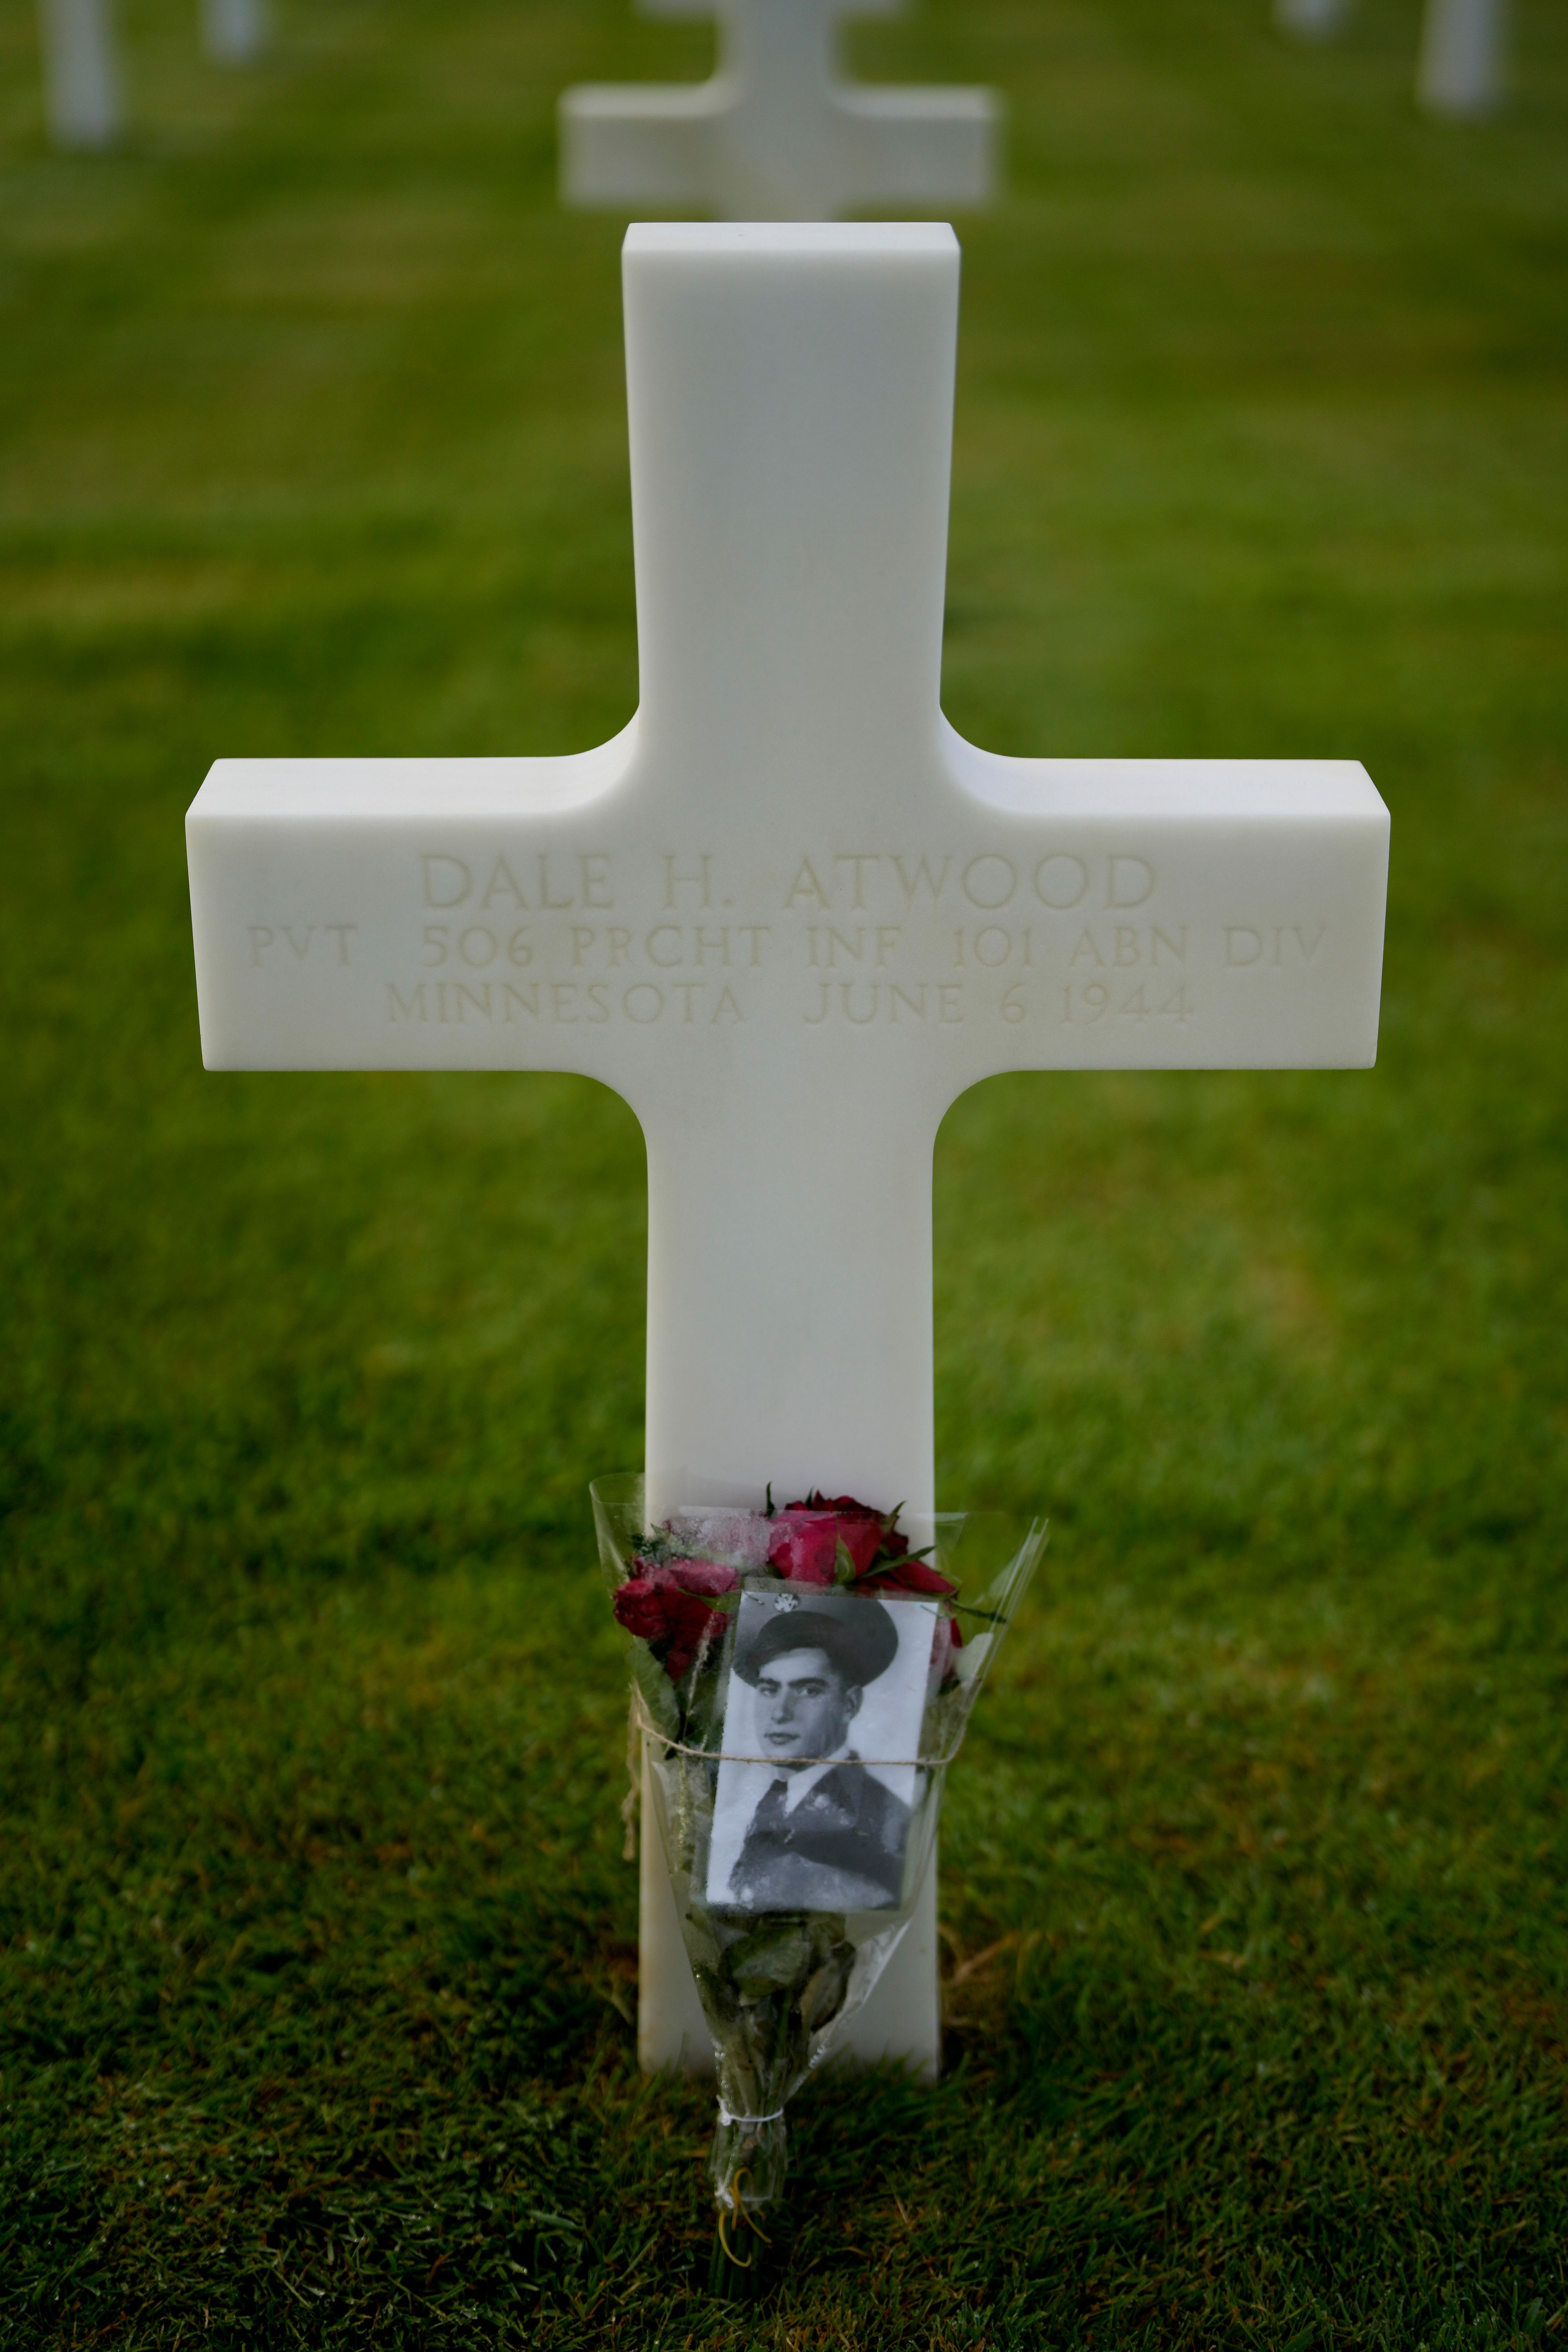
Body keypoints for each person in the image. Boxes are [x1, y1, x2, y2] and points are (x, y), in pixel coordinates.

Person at [725, 1603, 912, 1912]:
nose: (781, 1713)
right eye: (769, 1689)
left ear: (850, 1704)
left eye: (809, 1690)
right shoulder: (776, 1796)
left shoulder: (886, 1819)